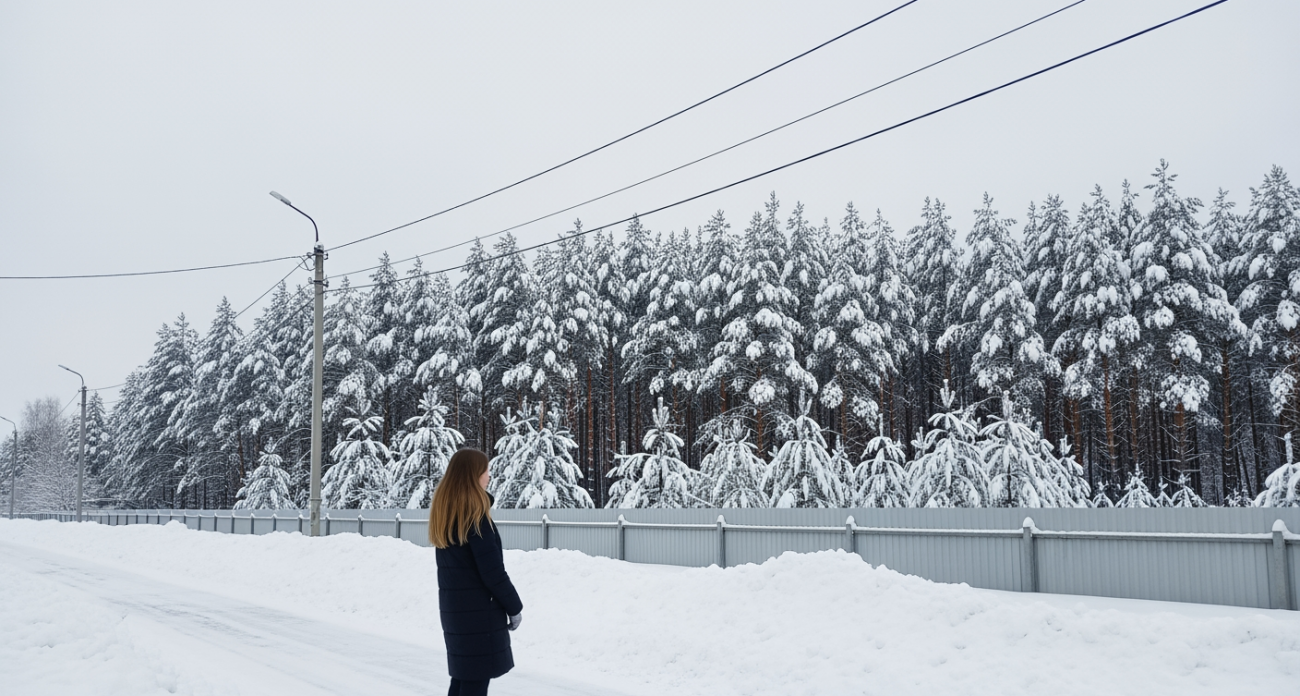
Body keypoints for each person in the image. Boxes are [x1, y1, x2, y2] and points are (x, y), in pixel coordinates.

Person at [429, 449, 523, 696]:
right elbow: (493, 573)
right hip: (479, 616)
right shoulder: (476, 519)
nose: (488, 476)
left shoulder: (448, 515)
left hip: (457, 614)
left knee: (463, 680)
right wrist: (515, 608)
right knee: (474, 684)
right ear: (473, 475)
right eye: (485, 471)